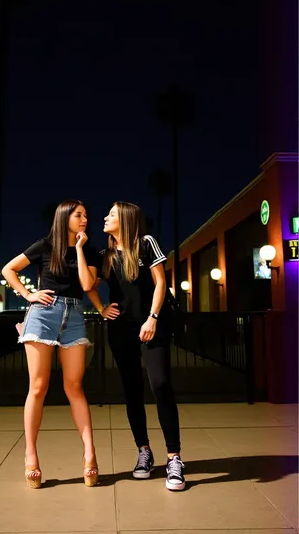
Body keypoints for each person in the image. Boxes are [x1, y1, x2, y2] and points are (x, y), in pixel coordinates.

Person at [87, 201, 186, 491]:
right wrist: (101, 308)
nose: (105, 217)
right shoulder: (105, 255)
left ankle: (174, 458)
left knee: (161, 384)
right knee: (132, 390)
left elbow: (160, 282)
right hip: (122, 328)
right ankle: (144, 451)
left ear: (127, 219)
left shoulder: (145, 244)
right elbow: (87, 283)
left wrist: (153, 318)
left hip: (152, 324)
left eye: (112, 214)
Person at [2, 200, 100, 489]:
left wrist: (80, 249)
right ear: (64, 217)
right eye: (79, 215)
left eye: (86, 215)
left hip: (74, 316)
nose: (85, 219)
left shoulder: (90, 249)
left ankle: (89, 454)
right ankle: (30, 455)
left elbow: (85, 285)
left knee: (74, 387)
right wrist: (27, 294)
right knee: (38, 386)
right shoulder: (45, 245)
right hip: (43, 315)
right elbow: (10, 269)